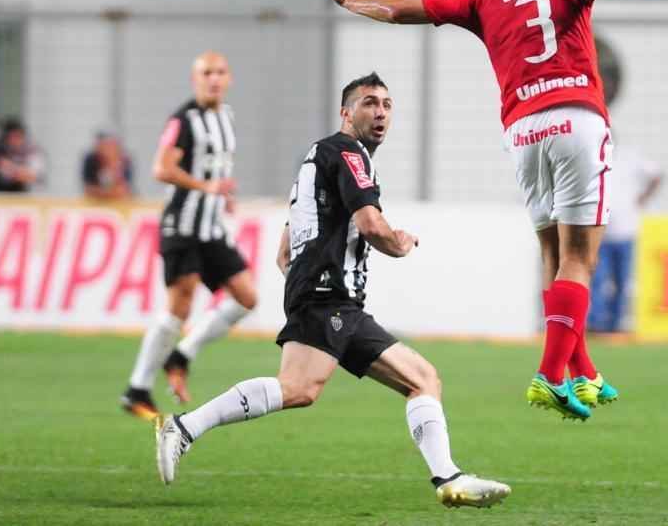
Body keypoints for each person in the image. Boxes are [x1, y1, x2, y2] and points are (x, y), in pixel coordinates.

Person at [315, 0, 668, 421]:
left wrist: (351, 1)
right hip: (576, 117)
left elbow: (405, 9)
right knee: (580, 258)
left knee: (552, 255)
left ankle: (583, 370)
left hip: (523, 131)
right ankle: (550, 373)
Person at [155, 72, 511, 509]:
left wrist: (310, 277)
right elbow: (370, 223)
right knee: (300, 388)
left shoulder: (317, 157)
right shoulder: (348, 152)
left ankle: (449, 478)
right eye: (368, 103)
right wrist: (397, 243)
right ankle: (184, 426)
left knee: (419, 379)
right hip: (329, 297)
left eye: (386, 104)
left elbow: (284, 250)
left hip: (324, 295)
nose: (380, 112)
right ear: (347, 113)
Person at [120, 51, 258, 420]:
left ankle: (182, 354)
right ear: (195, 79)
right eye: (206, 73)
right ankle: (137, 389)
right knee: (178, 307)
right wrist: (205, 187)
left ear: (229, 78)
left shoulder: (226, 117)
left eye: (220, 72)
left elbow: (216, 169)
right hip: (182, 224)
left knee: (246, 297)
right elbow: (161, 168)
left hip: (211, 228)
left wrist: (222, 196)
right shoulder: (183, 120)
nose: (214, 79)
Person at [588, 141, 662, 333]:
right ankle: (597, 322)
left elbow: (656, 174)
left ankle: (615, 323)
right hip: (601, 232)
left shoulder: (631, 156)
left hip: (626, 231)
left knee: (621, 281)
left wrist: (644, 197)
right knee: (599, 279)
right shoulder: (593, 158)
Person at [0, 118, 45, 192]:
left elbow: (35, 176)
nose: (14, 141)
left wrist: (12, 169)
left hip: (17, 196)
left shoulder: (31, 151)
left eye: (18, 136)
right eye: (10, 137)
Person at [81, 130, 134, 200]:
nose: (107, 150)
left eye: (110, 146)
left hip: (120, 202)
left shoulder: (124, 160)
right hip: (95, 202)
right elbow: (88, 189)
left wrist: (114, 165)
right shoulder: (91, 160)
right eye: (104, 146)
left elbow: (124, 190)